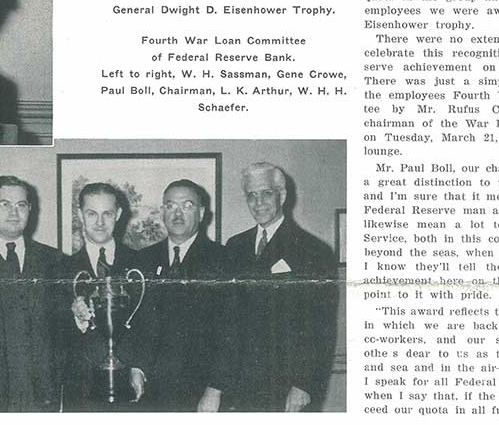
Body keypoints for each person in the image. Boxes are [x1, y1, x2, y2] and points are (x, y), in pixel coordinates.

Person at [225, 162, 338, 412]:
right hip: (240, 385)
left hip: (287, 387)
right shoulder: (234, 247)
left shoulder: (313, 250)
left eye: (266, 193)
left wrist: (303, 385)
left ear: (282, 195)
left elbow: (321, 327)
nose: (258, 202)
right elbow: (228, 321)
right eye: (251, 195)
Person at [119, 179, 234, 411]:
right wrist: (137, 368)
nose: (178, 213)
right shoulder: (143, 260)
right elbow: (137, 323)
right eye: (170, 206)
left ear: (201, 213)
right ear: (162, 211)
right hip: (152, 392)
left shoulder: (224, 260)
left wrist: (215, 389)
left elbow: (232, 332)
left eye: (187, 205)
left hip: (204, 392)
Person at [0, 176, 61, 411]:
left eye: (21, 205)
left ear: (30, 210)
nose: (14, 213)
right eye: (5, 204)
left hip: (45, 396)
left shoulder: (54, 260)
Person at [57, 181, 137, 410]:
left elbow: (150, 325)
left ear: (118, 214)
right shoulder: (60, 269)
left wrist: (139, 370)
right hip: (82, 394)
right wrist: (76, 319)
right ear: (80, 215)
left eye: (107, 214)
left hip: (131, 391)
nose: (100, 223)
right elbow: (52, 331)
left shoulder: (140, 264)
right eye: (92, 214)